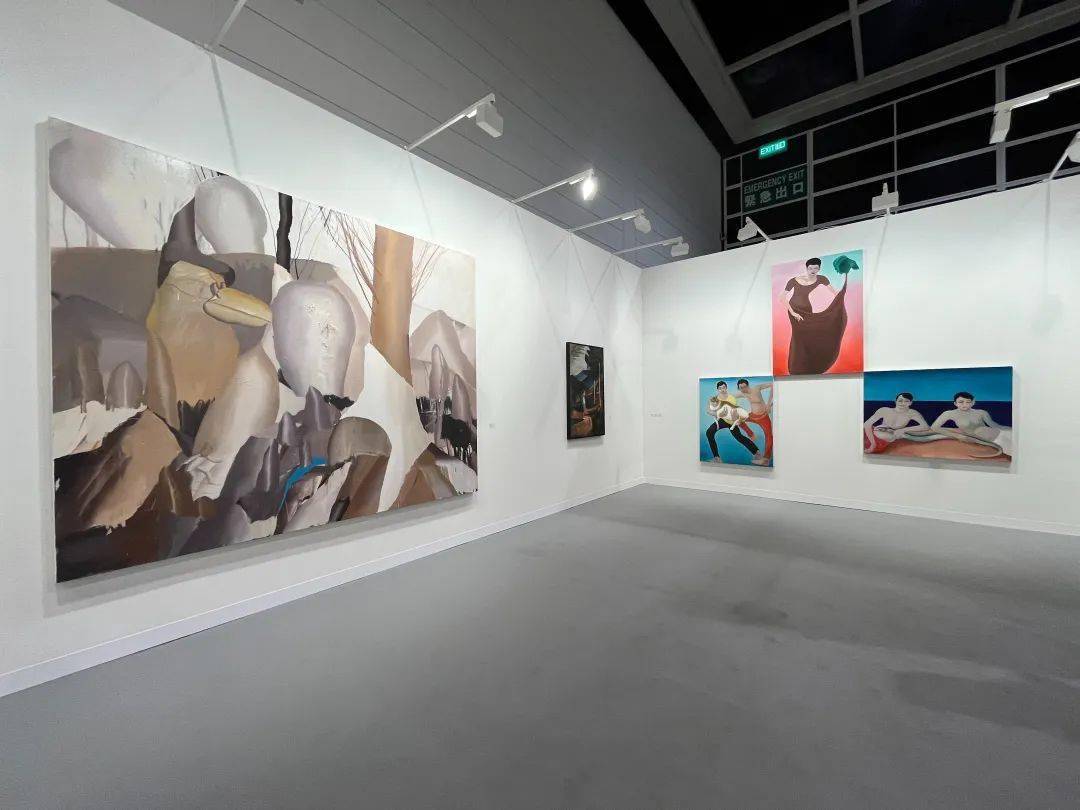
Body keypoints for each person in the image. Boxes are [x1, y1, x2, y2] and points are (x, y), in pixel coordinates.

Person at [777, 255, 856, 375]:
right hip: (794, 310)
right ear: (806, 268)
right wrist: (793, 313)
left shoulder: (821, 279)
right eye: (810, 268)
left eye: (815, 268)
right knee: (798, 337)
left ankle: (811, 362)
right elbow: (782, 298)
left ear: (819, 269)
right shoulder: (794, 280)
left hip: (807, 309)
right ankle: (796, 366)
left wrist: (842, 295)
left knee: (809, 335)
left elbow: (835, 293)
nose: (813, 271)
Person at [930, 391, 1013, 456]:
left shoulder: (981, 412)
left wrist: (1013, 429)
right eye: (961, 402)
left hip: (1001, 434)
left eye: (968, 402)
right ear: (955, 403)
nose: (965, 404)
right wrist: (957, 436)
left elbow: (995, 425)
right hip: (993, 441)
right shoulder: (949, 413)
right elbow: (934, 427)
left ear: (973, 402)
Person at [705, 381, 766, 465]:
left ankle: (757, 453)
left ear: (726, 388)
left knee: (739, 437)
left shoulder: (731, 397)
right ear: (717, 389)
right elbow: (709, 410)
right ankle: (717, 458)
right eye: (720, 388)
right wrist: (715, 413)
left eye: (723, 387)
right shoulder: (715, 398)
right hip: (723, 420)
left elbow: (733, 412)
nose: (722, 390)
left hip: (732, 421)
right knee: (709, 432)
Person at [863, 392, 931, 453]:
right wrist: (873, 444)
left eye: (906, 401)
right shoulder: (885, 410)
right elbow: (867, 424)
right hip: (880, 432)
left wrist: (903, 429)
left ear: (910, 403)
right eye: (900, 401)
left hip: (896, 434)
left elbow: (925, 426)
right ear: (896, 401)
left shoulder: (912, 413)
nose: (902, 403)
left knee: (927, 434)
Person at [736, 378, 773, 460]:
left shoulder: (756, 388)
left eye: (745, 387)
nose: (743, 389)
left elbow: (772, 384)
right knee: (738, 419)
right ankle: (751, 434)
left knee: (769, 436)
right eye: (741, 388)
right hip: (752, 416)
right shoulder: (743, 394)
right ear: (739, 388)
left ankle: (766, 459)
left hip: (763, 417)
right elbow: (730, 397)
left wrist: (768, 404)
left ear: (748, 386)